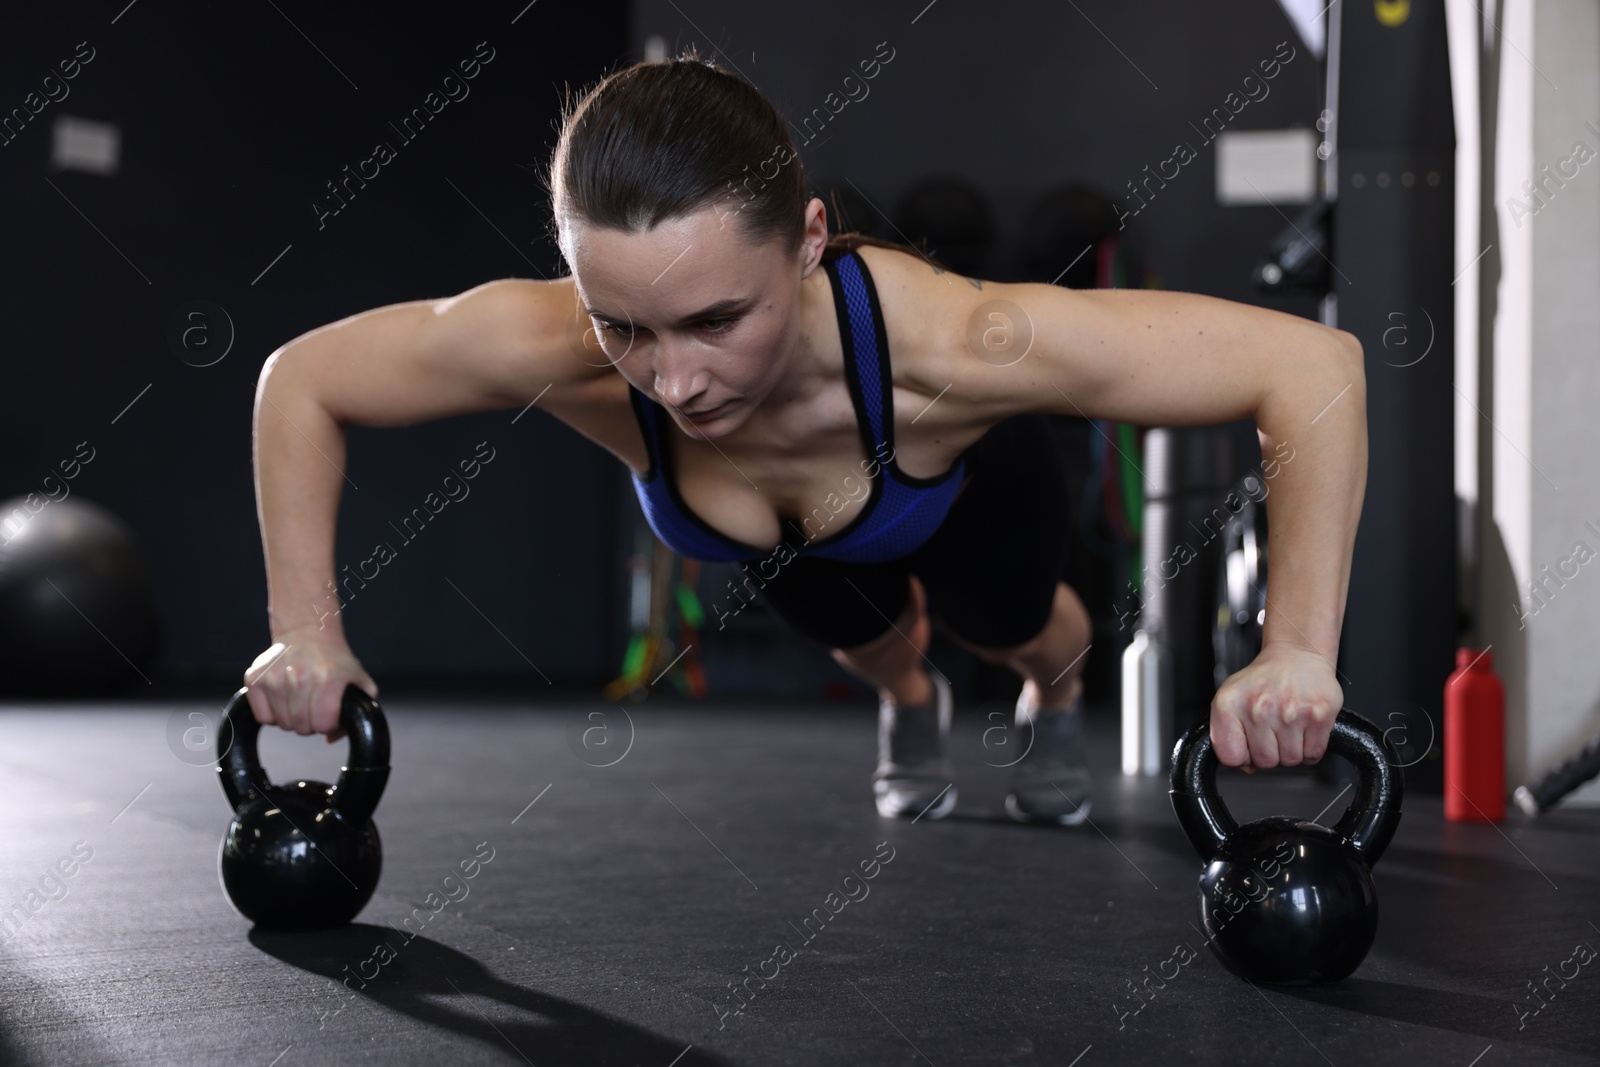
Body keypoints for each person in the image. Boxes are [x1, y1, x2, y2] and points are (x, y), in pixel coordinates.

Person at [243, 51, 1366, 826]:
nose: (675, 380)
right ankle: (907, 699)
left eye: (717, 320)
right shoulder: (548, 340)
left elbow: (1309, 366)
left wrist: (1297, 649)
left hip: (953, 486)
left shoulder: (957, 338)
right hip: (783, 539)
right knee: (874, 643)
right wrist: (305, 635)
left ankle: (1052, 699)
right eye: (621, 323)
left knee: (1017, 628)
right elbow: (302, 381)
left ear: (808, 242)